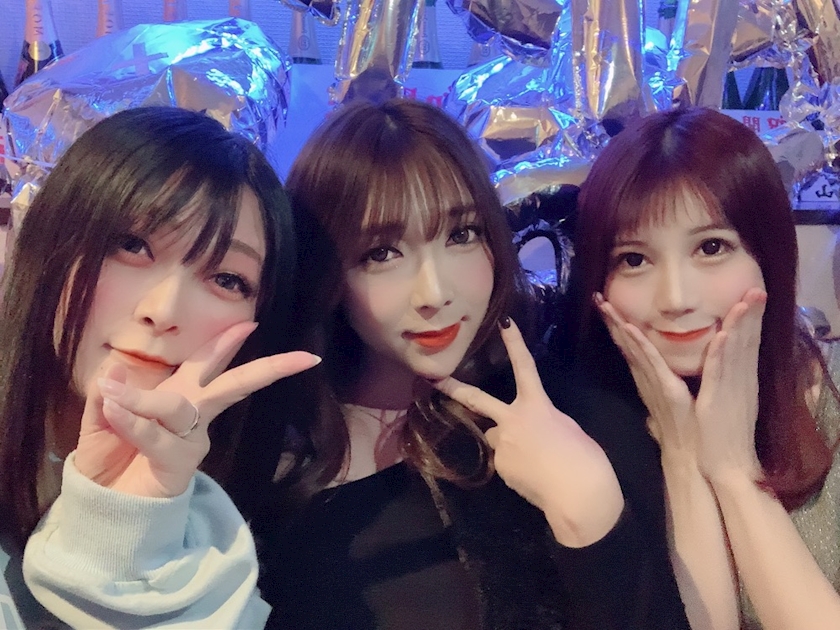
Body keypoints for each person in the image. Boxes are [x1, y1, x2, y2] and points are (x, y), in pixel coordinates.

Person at [248, 98, 690, 629]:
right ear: (326, 271)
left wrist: (591, 513)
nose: (435, 292)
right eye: (381, 253)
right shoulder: (267, 456)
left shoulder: (580, 417)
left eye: (461, 235)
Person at [0, 106, 320, 628]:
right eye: (132, 246)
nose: (164, 310)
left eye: (227, 279)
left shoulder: (240, 517)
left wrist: (130, 527)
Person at [571, 106, 840, 629]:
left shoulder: (827, 396)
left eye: (711, 247)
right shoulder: (587, 435)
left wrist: (733, 470)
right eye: (634, 259)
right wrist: (682, 453)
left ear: (769, 258)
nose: (675, 298)